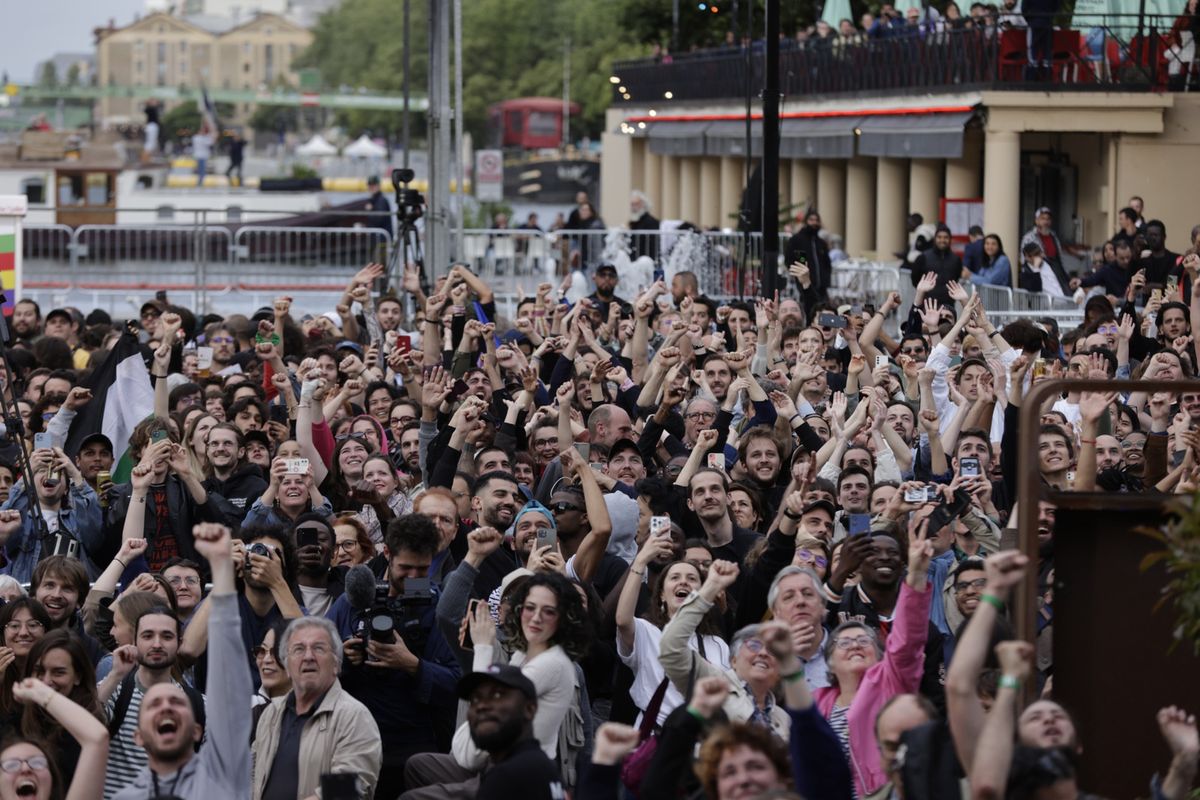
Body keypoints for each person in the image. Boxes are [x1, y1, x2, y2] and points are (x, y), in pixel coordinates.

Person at [111, 523, 252, 800]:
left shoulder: (221, 787)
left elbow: (232, 677)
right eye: (153, 704)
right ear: (138, 735)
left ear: (198, 730)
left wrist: (224, 574)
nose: (166, 708)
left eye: (176, 701)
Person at [327, 513, 460, 800]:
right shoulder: (352, 600)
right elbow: (315, 670)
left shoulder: (435, 605)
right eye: (405, 568)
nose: (413, 577)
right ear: (386, 552)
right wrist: (344, 660)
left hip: (415, 746)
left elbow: (457, 685)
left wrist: (412, 664)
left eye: (422, 570)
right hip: (349, 742)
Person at [252, 616, 382, 800]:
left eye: (318, 648)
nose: (308, 657)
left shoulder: (354, 717)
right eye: (298, 649)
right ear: (287, 665)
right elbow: (251, 775)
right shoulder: (271, 713)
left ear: (336, 664)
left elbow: (347, 791)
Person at [456, 665, 566, 800]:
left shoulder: (507, 778)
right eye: (475, 699)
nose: (481, 706)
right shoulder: (544, 767)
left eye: (497, 695)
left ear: (530, 709)